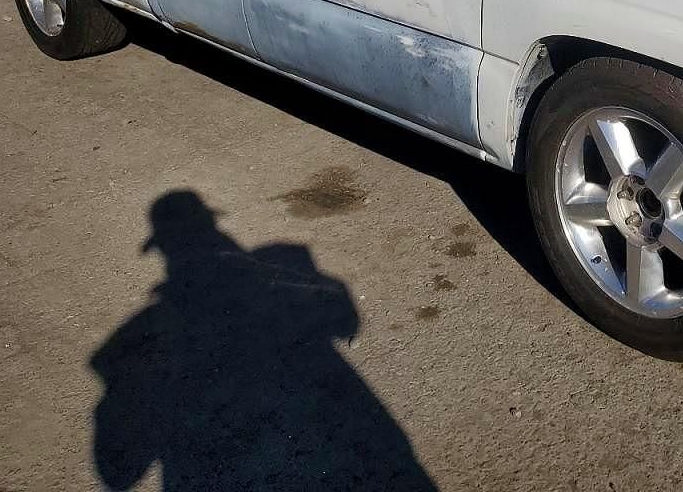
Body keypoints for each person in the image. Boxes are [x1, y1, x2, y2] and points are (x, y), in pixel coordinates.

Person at [89, 191, 435, 491]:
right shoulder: (272, 280)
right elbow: (343, 317)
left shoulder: (141, 334)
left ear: (162, 248)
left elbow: (118, 474)